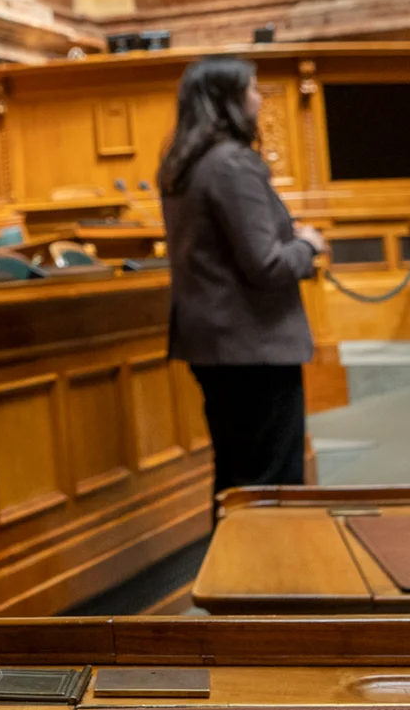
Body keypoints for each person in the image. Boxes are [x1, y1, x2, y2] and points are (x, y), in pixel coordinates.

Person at [158, 55, 327, 493]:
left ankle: (235, 564)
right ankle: (263, 565)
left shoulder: (187, 163)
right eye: (252, 89)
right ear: (227, 100)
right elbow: (267, 264)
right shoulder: (231, 164)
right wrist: (308, 246)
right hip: (254, 347)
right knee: (269, 485)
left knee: (237, 483)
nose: (258, 99)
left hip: (220, 346)